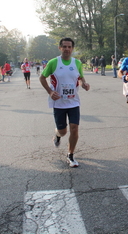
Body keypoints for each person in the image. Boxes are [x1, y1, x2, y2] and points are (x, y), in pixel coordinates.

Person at [39, 38, 90, 168]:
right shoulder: (53, 62)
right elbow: (42, 77)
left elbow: (80, 76)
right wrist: (50, 91)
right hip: (59, 103)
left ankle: (71, 154)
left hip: (73, 102)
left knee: (74, 129)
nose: (67, 49)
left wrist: (84, 83)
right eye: (64, 46)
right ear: (60, 48)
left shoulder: (77, 63)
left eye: (69, 47)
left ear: (72, 48)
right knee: (63, 131)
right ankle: (57, 135)